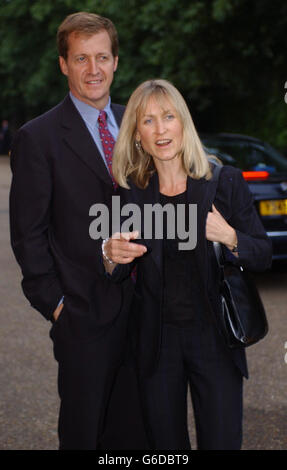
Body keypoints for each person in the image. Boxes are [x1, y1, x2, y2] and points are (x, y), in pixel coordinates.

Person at [102, 79, 273, 450]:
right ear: (137, 136)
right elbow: (114, 271)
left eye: (168, 116)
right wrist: (109, 255)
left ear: (184, 123)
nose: (161, 129)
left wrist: (230, 237)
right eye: (148, 121)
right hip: (156, 344)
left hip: (215, 340)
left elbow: (262, 254)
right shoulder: (130, 192)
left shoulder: (224, 182)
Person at [9, 12, 146, 450]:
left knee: (140, 435)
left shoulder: (141, 126)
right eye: (81, 58)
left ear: (116, 61)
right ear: (63, 64)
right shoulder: (37, 138)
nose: (94, 69)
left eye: (102, 57)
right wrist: (57, 306)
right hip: (83, 316)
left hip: (148, 313)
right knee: (86, 434)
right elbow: (28, 235)